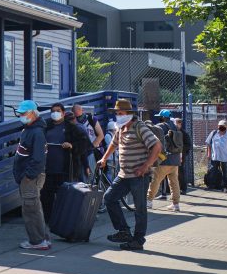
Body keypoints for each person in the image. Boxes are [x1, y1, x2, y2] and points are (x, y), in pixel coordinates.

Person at [98, 98, 162, 251]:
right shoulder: (121, 128)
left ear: (129, 114)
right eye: (117, 113)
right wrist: (104, 158)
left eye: (120, 113)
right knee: (109, 198)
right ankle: (124, 231)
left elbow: (157, 146)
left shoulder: (140, 127)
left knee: (140, 208)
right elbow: (113, 144)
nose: (117, 116)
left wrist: (146, 166)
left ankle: (138, 240)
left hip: (139, 176)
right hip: (123, 175)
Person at [13, 100, 49, 250]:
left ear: (33, 113)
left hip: (31, 178)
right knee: (34, 207)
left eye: (23, 113)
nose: (21, 116)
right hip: (29, 176)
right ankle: (42, 238)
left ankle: (37, 241)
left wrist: (28, 176)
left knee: (31, 209)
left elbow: (38, 158)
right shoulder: (30, 129)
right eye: (20, 114)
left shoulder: (36, 132)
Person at [41, 103, 85, 224]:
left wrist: (72, 146)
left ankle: (63, 221)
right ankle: (48, 221)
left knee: (64, 198)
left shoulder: (71, 127)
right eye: (53, 111)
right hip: (47, 169)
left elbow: (84, 144)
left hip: (65, 170)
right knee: (46, 198)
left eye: (58, 111)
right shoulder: (46, 127)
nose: (55, 113)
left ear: (63, 113)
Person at [147, 110, 182, 211]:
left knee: (155, 180)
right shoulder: (175, 127)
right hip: (175, 160)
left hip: (164, 160)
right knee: (174, 182)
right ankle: (176, 204)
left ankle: (149, 201)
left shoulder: (161, 126)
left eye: (160, 117)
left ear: (162, 117)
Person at [73, 103, 104, 182]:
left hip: (90, 151)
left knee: (90, 175)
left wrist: (92, 146)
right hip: (79, 151)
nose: (77, 116)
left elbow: (101, 135)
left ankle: (91, 189)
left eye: (78, 111)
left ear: (82, 110)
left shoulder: (91, 119)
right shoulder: (73, 121)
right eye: (75, 113)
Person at [205, 120, 227, 192]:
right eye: (220, 126)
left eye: (223, 126)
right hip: (215, 157)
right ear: (218, 126)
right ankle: (211, 185)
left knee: (225, 172)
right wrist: (209, 153)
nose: (222, 127)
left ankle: (225, 187)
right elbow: (208, 144)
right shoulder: (213, 133)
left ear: (226, 127)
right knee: (213, 171)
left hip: (225, 157)